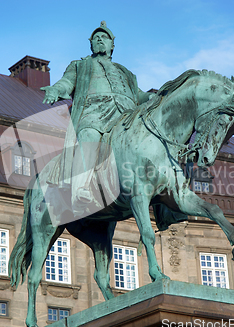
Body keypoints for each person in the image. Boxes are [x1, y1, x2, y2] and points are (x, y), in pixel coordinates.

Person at [41, 21, 154, 216]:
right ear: (91, 44)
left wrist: (155, 97)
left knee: (151, 143)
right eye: (96, 38)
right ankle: (80, 188)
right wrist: (55, 90)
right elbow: (66, 83)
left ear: (112, 45)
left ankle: (164, 204)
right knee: (89, 135)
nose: (100, 39)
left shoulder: (126, 72)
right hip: (94, 113)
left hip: (125, 118)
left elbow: (139, 96)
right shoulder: (80, 65)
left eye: (104, 37)